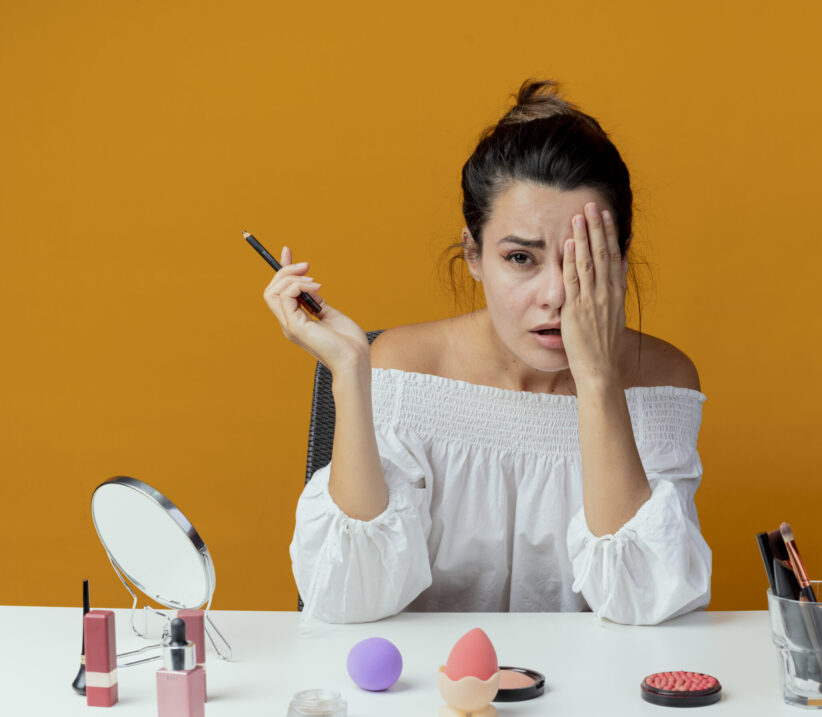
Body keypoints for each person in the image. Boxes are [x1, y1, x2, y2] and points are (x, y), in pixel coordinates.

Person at [262, 79, 712, 625]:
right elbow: (351, 598)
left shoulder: (663, 382)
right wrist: (353, 373)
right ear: (474, 256)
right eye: (521, 258)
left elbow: (645, 604)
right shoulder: (408, 369)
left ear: (620, 262)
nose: (555, 295)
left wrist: (598, 377)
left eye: (584, 262)